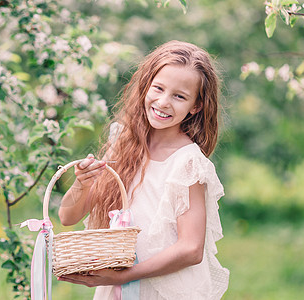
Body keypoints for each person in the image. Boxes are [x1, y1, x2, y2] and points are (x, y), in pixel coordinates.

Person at [57, 40, 229, 299]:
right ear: (146, 86)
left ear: (196, 106)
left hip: (163, 289)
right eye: (158, 88)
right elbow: (67, 217)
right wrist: (81, 183)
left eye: (179, 96)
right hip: (119, 288)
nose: (163, 102)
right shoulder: (123, 142)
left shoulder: (187, 163)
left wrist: (125, 275)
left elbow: (191, 248)